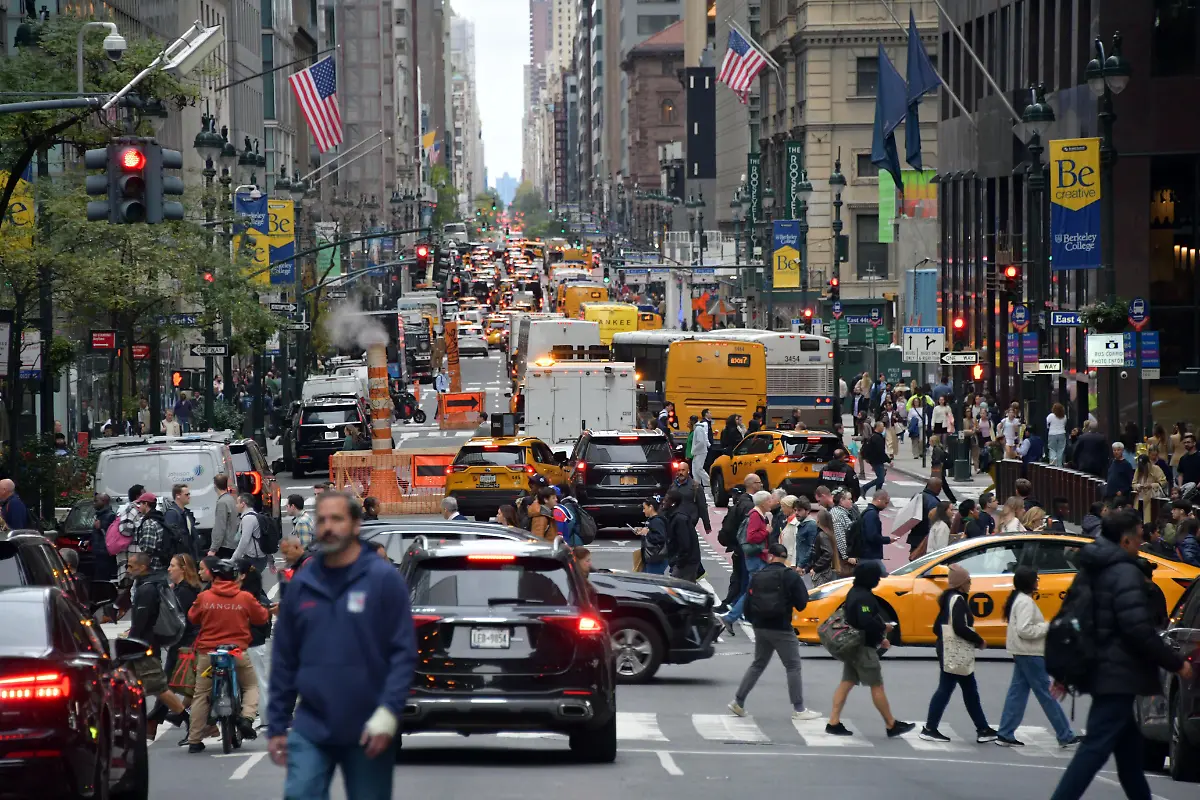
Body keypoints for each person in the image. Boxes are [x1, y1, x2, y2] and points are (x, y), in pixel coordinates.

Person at [267, 491, 417, 798]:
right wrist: (277, 724)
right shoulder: (302, 585)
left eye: (337, 519)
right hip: (312, 725)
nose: (328, 527)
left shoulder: (383, 581)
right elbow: (285, 658)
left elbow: (403, 653)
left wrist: (389, 712)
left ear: (356, 525)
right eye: (322, 519)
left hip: (369, 727)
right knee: (300, 793)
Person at [1049, 511, 1193, 800]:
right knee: (1094, 750)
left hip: (1102, 667)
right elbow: (1138, 628)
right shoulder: (1125, 572)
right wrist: (1176, 663)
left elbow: (1073, 617)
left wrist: (1067, 670)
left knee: (1129, 758)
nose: (1143, 541)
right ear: (1126, 539)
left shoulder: (1093, 567)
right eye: (1139, 535)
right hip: (1118, 673)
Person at [183, 557, 269, 752]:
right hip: (237, 652)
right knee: (250, 685)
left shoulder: (205, 597)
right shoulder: (244, 597)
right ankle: (247, 717)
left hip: (208, 653)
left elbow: (192, 617)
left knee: (201, 694)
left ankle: (195, 740)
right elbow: (261, 617)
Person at [727, 543, 821, 720]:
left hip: (760, 626)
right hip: (781, 627)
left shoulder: (759, 575)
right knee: (793, 666)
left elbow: (747, 602)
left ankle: (738, 701)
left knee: (758, 664)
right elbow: (802, 603)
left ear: (770, 556)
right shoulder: (790, 575)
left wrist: (753, 620)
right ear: (785, 558)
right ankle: (799, 709)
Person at [994, 566, 1082, 747]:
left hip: (1022, 652)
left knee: (1017, 694)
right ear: (1030, 582)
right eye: (1036, 579)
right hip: (1030, 652)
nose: (1038, 582)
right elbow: (1025, 630)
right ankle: (1065, 734)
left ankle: (1005, 732)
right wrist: (1048, 627)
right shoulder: (1025, 602)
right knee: (1046, 695)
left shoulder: (1018, 599)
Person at [826, 562, 915, 738]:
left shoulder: (854, 593)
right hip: (863, 648)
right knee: (876, 685)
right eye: (877, 578)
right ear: (870, 578)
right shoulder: (864, 597)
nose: (878, 581)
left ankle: (833, 722)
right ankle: (891, 724)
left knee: (847, 682)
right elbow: (865, 621)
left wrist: (881, 638)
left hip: (853, 646)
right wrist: (884, 628)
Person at [919, 564, 997, 743]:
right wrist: (978, 640)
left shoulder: (948, 598)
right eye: (968, 580)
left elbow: (939, 626)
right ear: (961, 583)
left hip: (948, 649)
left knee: (965, 690)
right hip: (954, 651)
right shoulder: (958, 600)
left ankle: (982, 728)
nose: (970, 583)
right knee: (953, 689)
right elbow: (959, 627)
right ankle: (931, 728)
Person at [123, 551, 188, 736]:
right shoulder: (146, 584)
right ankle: (136, 725)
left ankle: (187, 718)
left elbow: (141, 622)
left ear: (143, 567)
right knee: (130, 687)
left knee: (159, 688)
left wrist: (129, 644)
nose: (128, 570)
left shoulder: (147, 589)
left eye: (131, 566)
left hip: (144, 647)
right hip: (142, 645)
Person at [718, 490, 773, 632]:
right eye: (769, 501)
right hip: (756, 558)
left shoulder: (759, 514)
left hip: (757, 557)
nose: (771, 503)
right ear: (762, 502)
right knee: (754, 590)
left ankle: (738, 617)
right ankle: (733, 617)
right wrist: (766, 531)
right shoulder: (755, 516)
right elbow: (751, 537)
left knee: (754, 590)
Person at [716, 474, 760, 611]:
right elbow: (748, 529)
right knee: (744, 581)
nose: (762, 485)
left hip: (737, 547)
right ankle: (734, 608)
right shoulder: (749, 505)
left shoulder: (741, 502)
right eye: (759, 483)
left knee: (738, 578)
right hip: (743, 548)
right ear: (753, 484)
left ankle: (729, 605)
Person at [663, 488, 702, 581]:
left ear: (673, 503)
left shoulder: (680, 519)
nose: (663, 502)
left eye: (666, 500)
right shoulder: (674, 515)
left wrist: (678, 562)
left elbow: (685, 543)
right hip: (685, 561)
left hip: (687, 563)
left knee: (681, 590)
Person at [231, 493, 269, 576]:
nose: (236, 505)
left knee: (249, 584)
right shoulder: (255, 515)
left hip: (254, 559)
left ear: (243, 504)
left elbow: (244, 541)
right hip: (257, 557)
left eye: (237, 503)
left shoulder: (248, 519)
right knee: (251, 584)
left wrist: (233, 558)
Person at [671, 461, 711, 537]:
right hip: (675, 521)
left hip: (689, 522)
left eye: (683, 470)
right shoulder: (673, 486)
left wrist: (707, 526)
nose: (680, 473)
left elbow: (702, 507)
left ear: (688, 471)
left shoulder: (696, 487)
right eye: (679, 470)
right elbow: (666, 503)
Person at [163, 483, 199, 560]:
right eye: (186, 494)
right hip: (179, 556)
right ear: (178, 496)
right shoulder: (172, 513)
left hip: (189, 555)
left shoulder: (186, 513)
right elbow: (171, 537)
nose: (189, 497)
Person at [637, 495, 669, 574]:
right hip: (653, 558)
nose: (643, 511)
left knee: (654, 583)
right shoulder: (653, 520)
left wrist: (647, 533)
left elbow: (660, 538)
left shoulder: (657, 521)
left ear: (651, 507)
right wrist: (643, 531)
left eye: (644, 508)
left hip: (656, 558)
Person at [210, 474, 239, 558]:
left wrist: (213, 548)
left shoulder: (222, 502)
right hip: (232, 542)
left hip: (225, 545)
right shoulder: (230, 499)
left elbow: (220, 526)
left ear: (215, 485)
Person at [92, 493, 118, 581]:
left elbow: (112, 536)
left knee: (103, 578)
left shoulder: (111, 516)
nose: (94, 503)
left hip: (105, 553)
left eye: (96, 501)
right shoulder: (98, 515)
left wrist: (100, 528)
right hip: (98, 552)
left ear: (104, 501)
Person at [860, 421, 890, 495]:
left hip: (874, 460)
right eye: (882, 426)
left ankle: (878, 493)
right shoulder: (877, 438)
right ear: (878, 427)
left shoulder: (873, 436)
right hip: (877, 461)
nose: (883, 428)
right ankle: (865, 488)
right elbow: (880, 451)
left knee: (881, 477)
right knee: (881, 478)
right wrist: (889, 461)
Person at [691, 410, 711, 489]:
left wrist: (693, 450)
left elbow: (701, 442)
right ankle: (697, 484)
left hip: (700, 452)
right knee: (695, 469)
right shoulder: (698, 428)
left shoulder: (698, 429)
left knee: (699, 469)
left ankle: (709, 482)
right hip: (699, 452)